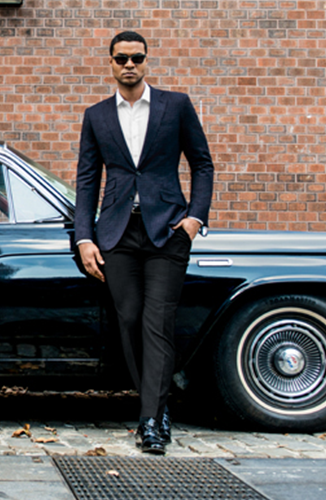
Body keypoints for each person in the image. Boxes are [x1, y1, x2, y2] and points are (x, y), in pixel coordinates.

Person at [74, 31, 215, 455]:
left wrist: (194, 218)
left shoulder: (176, 106)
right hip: (117, 234)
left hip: (167, 231)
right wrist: (84, 236)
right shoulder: (96, 115)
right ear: (111, 64)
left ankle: (151, 419)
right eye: (122, 59)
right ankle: (158, 402)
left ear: (146, 61)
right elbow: (86, 180)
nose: (129, 65)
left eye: (137, 58)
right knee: (130, 319)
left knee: (158, 322)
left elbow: (203, 164)